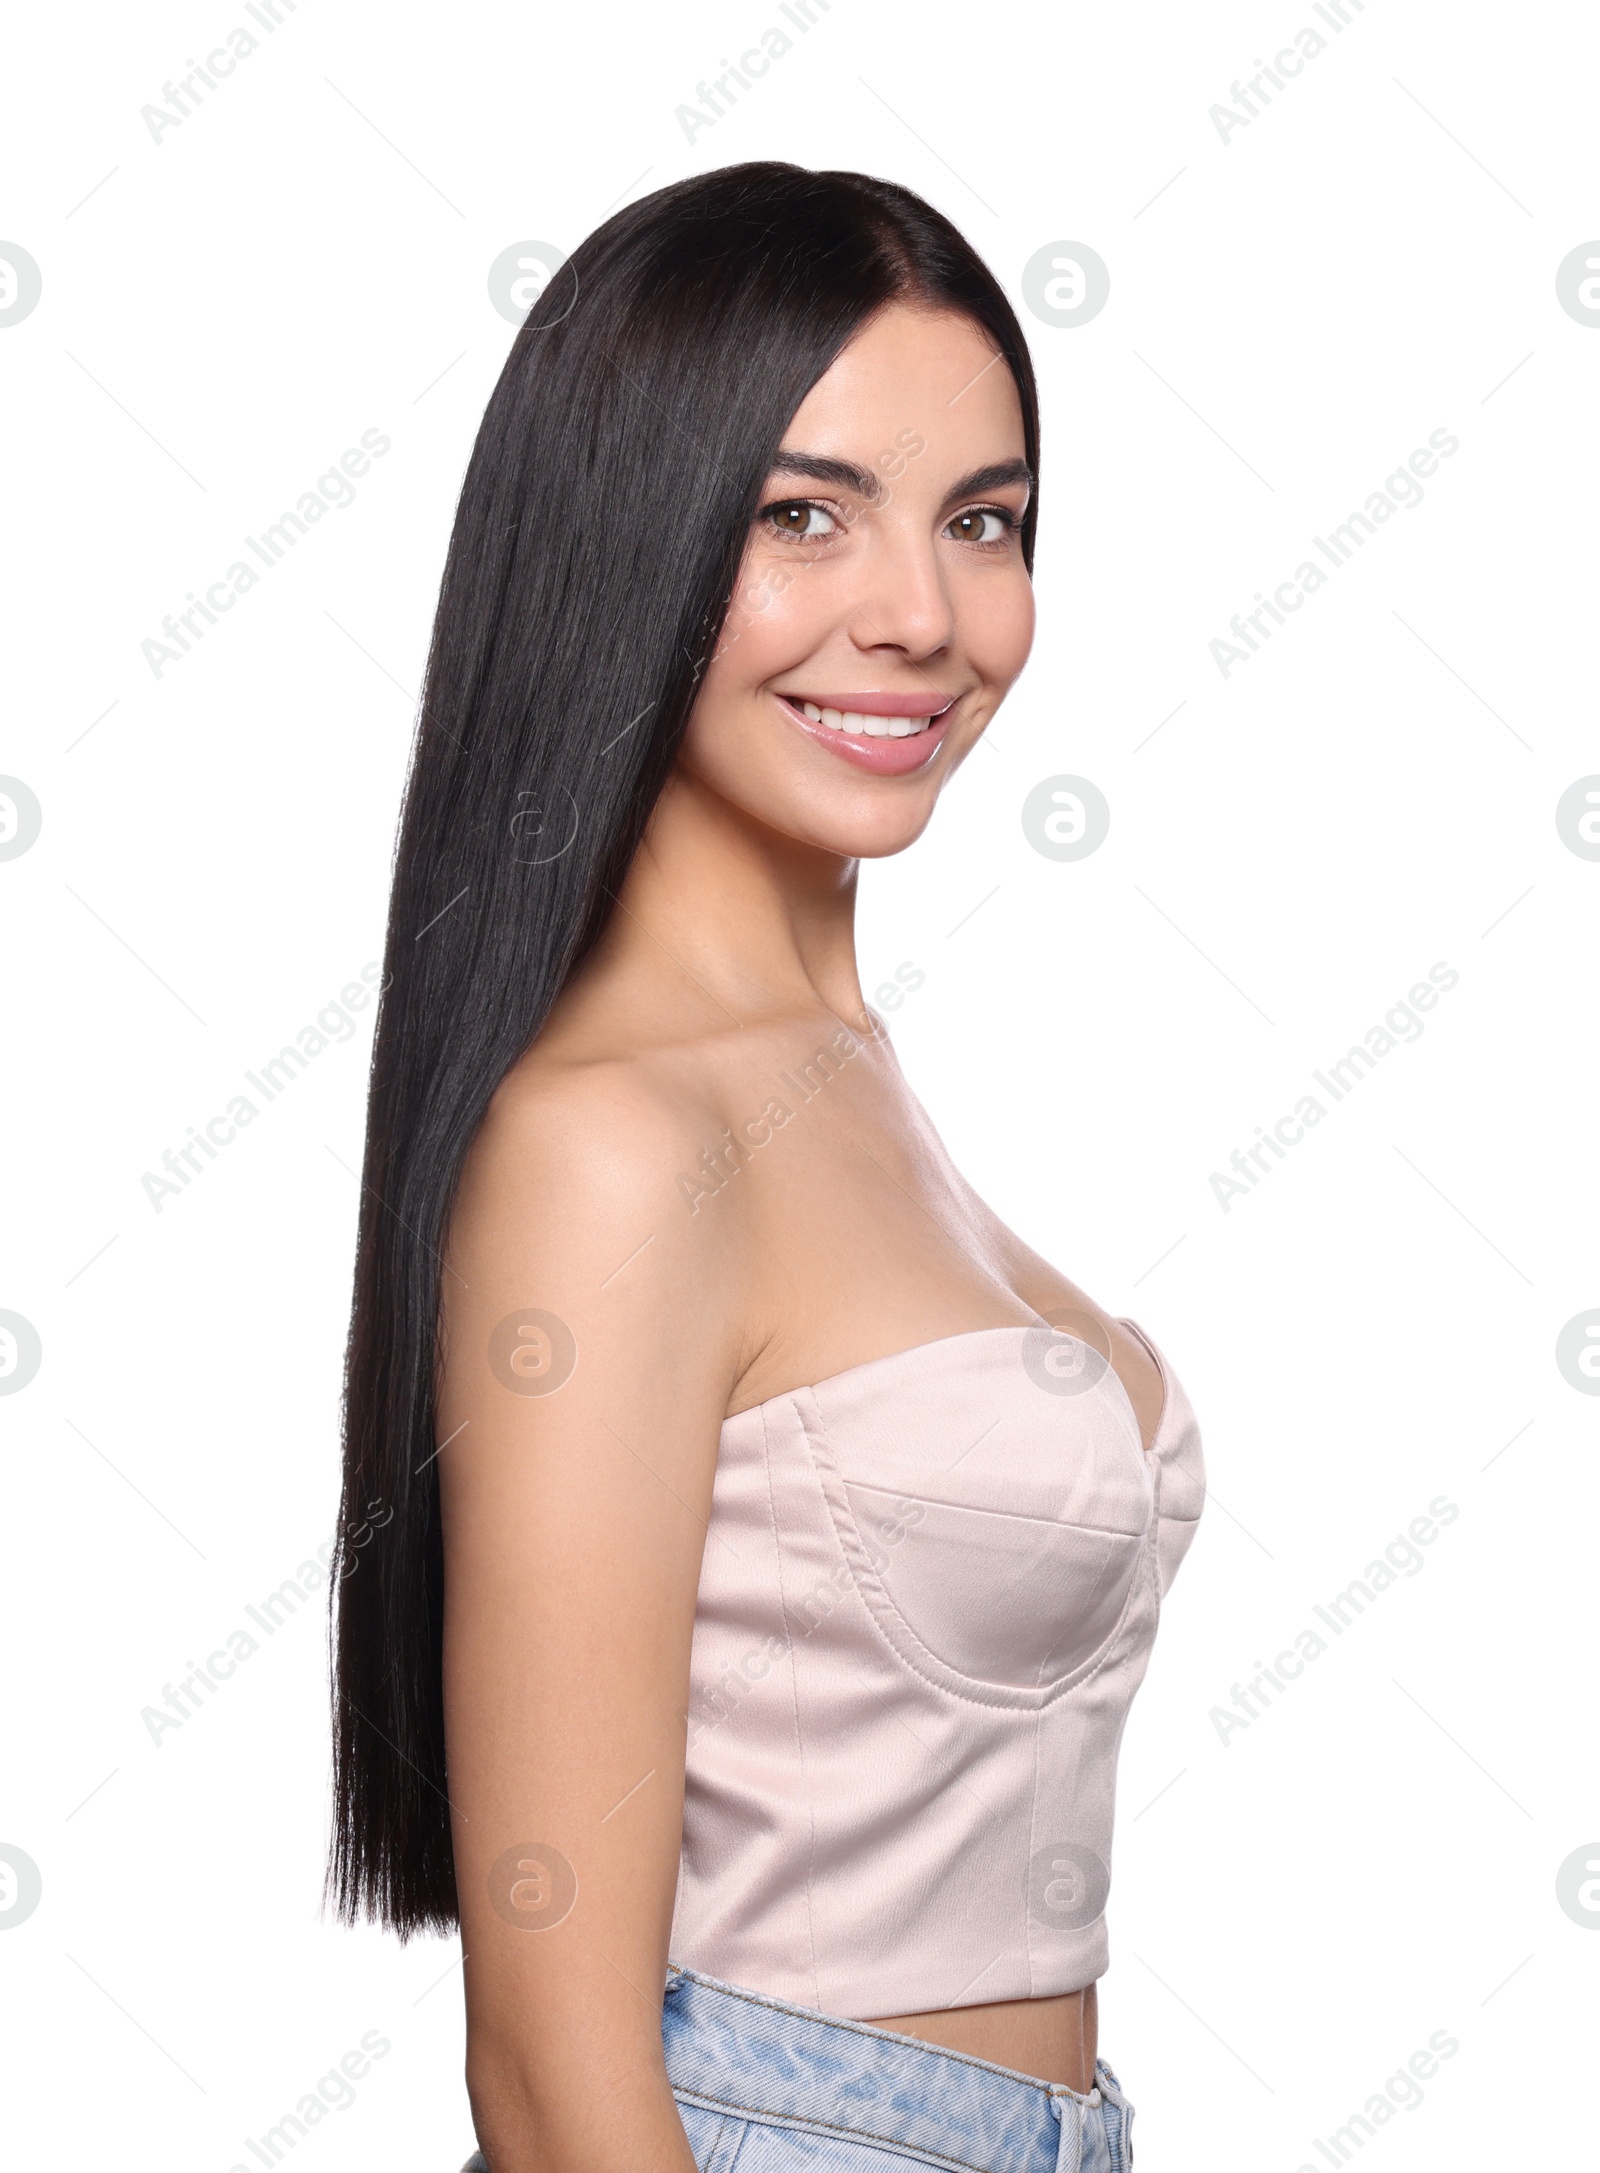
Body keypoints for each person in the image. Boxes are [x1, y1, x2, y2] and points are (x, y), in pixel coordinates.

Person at [329, 161, 1205, 2173]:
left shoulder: (834, 1083)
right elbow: (552, 2081)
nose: (920, 612)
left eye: (980, 522)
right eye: (803, 514)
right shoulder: (614, 1144)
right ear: (624, 536)